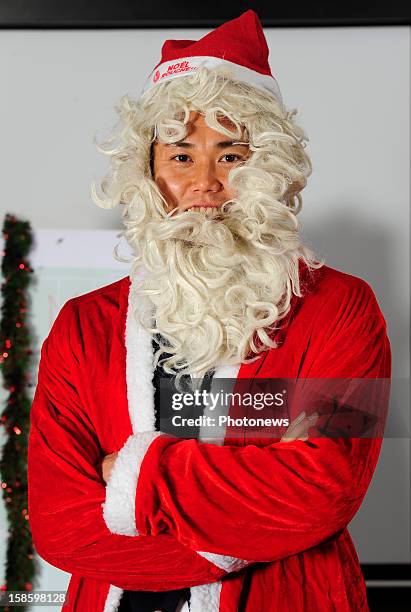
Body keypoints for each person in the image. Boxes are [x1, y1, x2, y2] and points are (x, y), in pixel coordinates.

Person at [27, 9, 391, 612]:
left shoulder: (343, 309)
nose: (204, 183)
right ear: (147, 172)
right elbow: (60, 524)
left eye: (229, 155)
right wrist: (253, 517)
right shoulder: (82, 325)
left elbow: (324, 489)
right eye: (180, 157)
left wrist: (133, 478)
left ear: (266, 167)